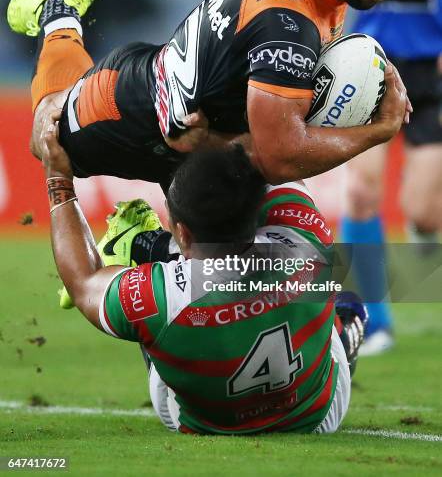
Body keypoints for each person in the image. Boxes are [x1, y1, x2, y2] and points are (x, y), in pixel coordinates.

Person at [7, 0, 415, 192]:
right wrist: (378, 130)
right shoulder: (285, 21)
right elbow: (279, 158)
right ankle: (57, 13)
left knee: (248, 256)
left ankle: (141, 243)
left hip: (181, 126)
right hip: (123, 110)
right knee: (49, 139)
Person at [40, 112, 366, 434]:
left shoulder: (159, 296)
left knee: (150, 314)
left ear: (182, 233)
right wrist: (379, 129)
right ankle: (346, 327)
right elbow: (276, 152)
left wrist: (58, 179)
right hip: (315, 415)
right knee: (345, 298)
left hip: (203, 422)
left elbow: (82, 282)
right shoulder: (305, 238)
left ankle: (149, 248)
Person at [341, 0, 442, 355]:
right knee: (361, 191)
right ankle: (369, 320)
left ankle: (427, 228)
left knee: (424, 209)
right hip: (370, 66)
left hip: (433, 72)